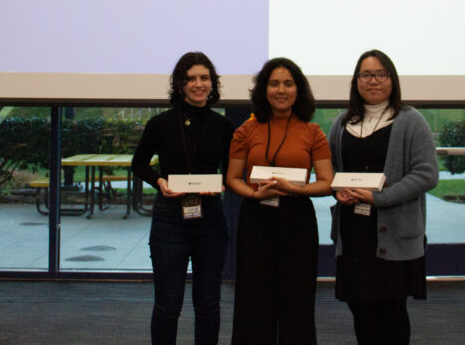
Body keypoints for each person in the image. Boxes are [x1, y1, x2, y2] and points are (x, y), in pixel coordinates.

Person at [327, 49, 439, 345]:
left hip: (393, 235)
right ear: (356, 81)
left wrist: (380, 198)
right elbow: (332, 171)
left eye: (380, 74)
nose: (373, 81)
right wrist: (339, 190)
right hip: (353, 232)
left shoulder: (410, 120)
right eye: (365, 75)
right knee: (359, 308)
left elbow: (427, 175)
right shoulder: (341, 123)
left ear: (392, 79)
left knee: (391, 312)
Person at [225, 57, 333, 345]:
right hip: (256, 220)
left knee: (296, 300)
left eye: (288, 83)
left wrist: (295, 189)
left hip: (297, 222)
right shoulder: (246, 130)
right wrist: (254, 193)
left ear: (298, 90)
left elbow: (326, 182)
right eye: (274, 84)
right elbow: (233, 178)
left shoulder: (313, 132)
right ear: (263, 90)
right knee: (253, 299)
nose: (281, 90)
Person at [131, 51, 236, 345]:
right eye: (191, 78)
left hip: (211, 220)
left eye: (204, 78)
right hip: (170, 220)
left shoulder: (224, 126)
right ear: (180, 84)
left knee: (208, 304)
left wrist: (222, 185)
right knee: (167, 305)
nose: (198, 84)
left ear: (213, 84)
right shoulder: (160, 123)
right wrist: (160, 181)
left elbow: (232, 172)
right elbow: (138, 164)